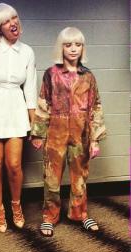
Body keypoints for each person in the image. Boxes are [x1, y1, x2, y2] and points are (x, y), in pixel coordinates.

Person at [31, 27, 106, 237]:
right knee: (52, 177)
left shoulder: (88, 76)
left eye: (77, 45)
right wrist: (38, 133)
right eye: (68, 45)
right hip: (55, 133)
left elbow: (96, 107)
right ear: (61, 48)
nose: (73, 49)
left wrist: (95, 139)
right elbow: (43, 103)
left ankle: (79, 213)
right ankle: (49, 216)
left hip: (81, 134)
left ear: (83, 48)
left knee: (80, 176)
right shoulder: (51, 74)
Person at [0, 3, 37, 233]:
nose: (13, 23)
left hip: (15, 107)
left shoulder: (28, 51)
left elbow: (30, 88)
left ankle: (16, 205)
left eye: (15, 18)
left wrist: (34, 122)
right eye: (6, 21)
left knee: (14, 165)